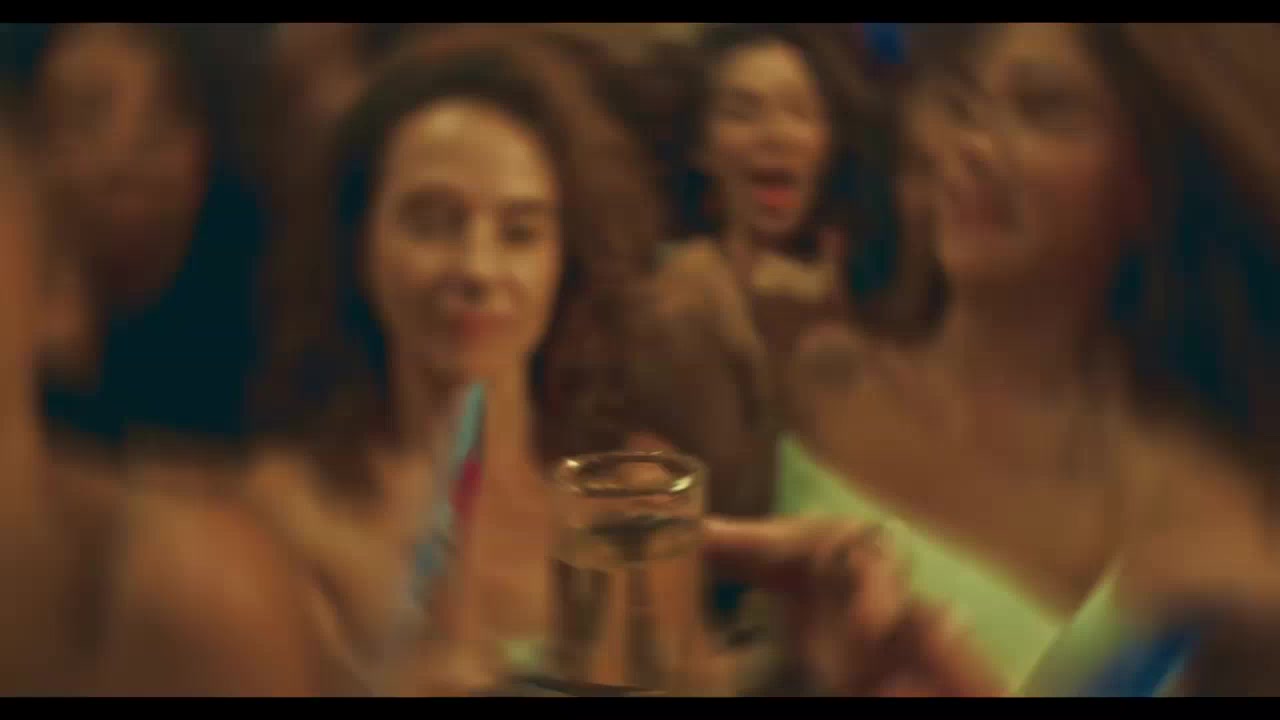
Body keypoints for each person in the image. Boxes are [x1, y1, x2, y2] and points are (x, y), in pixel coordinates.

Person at [247, 28, 999, 696]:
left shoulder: (633, 496)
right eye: (433, 222)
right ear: (360, 239)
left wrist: (806, 670)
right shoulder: (280, 517)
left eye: (520, 231)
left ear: (564, 259)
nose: (477, 267)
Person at [786, 22, 1280, 695]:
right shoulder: (824, 378)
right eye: (967, 105)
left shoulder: (1199, 518)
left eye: (1043, 110)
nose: (972, 146)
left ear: (1144, 186)